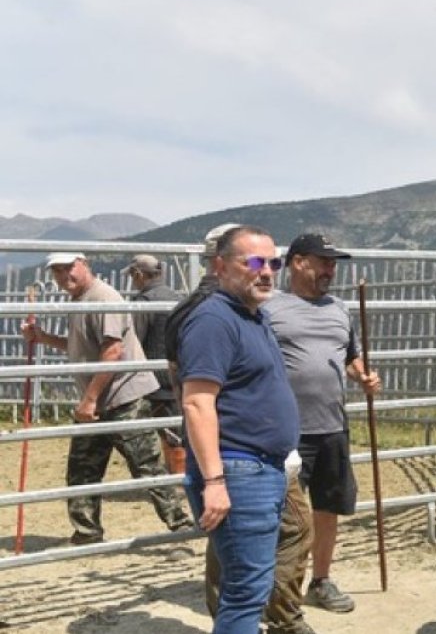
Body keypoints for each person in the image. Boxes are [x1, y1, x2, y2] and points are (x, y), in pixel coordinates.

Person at [169, 224, 318, 634]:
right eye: (253, 261)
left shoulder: (253, 315)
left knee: (253, 582)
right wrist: (214, 480)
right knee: (246, 591)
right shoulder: (213, 320)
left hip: (263, 467)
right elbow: (197, 402)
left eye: (273, 262)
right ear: (220, 266)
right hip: (239, 470)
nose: (266, 271)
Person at [21, 253, 193, 546]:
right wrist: (43, 338)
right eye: (57, 272)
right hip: (100, 401)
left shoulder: (102, 298)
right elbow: (82, 347)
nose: (64, 276)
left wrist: (88, 400)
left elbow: (113, 352)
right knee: (82, 468)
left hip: (124, 398)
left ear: (83, 264)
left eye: (68, 268)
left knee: (147, 467)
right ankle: (87, 532)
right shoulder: (81, 300)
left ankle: (182, 527)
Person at [263, 233, 380, 614]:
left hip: (331, 425)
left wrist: (363, 377)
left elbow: (349, 358)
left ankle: (321, 580)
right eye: (323, 261)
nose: (331, 269)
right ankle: (275, 587)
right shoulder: (269, 307)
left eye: (333, 263)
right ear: (297, 262)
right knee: (279, 514)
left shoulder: (340, 309)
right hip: (284, 430)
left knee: (327, 507)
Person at [125, 253, 186, 474]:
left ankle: (176, 479)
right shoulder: (179, 298)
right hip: (178, 373)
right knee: (176, 427)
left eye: (133, 275)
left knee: (166, 432)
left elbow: (133, 341)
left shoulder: (144, 302)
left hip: (153, 380)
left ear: (139, 274)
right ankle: (179, 476)